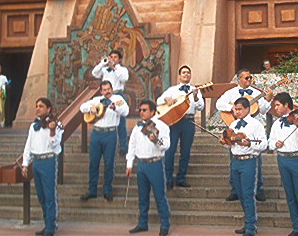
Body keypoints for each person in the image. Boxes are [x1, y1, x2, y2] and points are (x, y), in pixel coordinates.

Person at [215, 68, 272, 202]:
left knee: (256, 158)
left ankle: (258, 189)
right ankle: (235, 189)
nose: (249, 80)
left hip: (252, 128)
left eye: (250, 77)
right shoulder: (231, 93)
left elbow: (262, 109)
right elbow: (218, 104)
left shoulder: (257, 93)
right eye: (246, 78)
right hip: (236, 127)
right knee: (234, 158)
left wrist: (268, 100)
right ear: (239, 79)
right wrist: (234, 109)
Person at [269, 92, 298, 236]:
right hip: (283, 160)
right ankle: (296, 228)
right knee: (290, 195)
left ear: (286, 105)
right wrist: (275, 144)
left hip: (297, 159)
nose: (275, 108)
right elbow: (270, 143)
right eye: (275, 105)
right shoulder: (277, 124)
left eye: (277, 105)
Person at [219, 97, 267, 236]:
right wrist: (225, 142)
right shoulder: (233, 125)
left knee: (248, 193)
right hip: (235, 161)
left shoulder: (256, 124)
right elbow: (230, 144)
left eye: (240, 109)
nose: (237, 112)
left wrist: (249, 144)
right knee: (239, 193)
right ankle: (248, 222)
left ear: (247, 109)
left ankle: (251, 227)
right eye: (235, 109)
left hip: (249, 161)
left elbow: (263, 144)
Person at [126, 100, 171, 236]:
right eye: (140, 110)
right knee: (142, 196)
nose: (141, 112)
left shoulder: (162, 126)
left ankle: (165, 225)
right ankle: (142, 223)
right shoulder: (137, 127)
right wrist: (129, 163)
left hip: (155, 163)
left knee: (159, 196)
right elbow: (132, 145)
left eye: (144, 110)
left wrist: (156, 140)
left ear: (152, 111)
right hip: (141, 165)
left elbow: (166, 145)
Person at [79, 80, 128, 201]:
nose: (107, 92)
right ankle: (92, 190)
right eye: (104, 90)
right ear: (101, 91)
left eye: (109, 89)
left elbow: (125, 111)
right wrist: (91, 108)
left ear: (112, 89)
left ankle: (107, 190)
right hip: (96, 133)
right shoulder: (96, 99)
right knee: (93, 163)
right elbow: (81, 107)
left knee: (109, 163)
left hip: (110, 134)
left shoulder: (118, 99)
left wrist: (115, 108)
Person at [156, 65, 204, 189]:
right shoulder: (172, 90)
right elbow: (158, 101)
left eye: (188, 73)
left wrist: (196, 96)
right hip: (174, 122)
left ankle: (181, 178)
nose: (186, 75)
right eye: (183, 73)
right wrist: (167, 99)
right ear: (179, 76)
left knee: (185, 151)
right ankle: (168, 178)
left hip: (189, 122)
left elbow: (201, 107)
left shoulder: (195, 90)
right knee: (170, 150)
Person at [22, 97, 64, 236]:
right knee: (41, 196)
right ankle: (47, 224)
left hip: (48, 160)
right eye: (36, 106)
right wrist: (25, 164)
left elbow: (56, 146)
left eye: (41, 106)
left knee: (49, 195)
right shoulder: (33, 126)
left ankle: (51, 226)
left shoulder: (56, 125)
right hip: (36, 161)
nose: (37, 108)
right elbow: (28, 145)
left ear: (48, 109)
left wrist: (52, 132)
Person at [91, 50, 129, 155]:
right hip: (105, 95)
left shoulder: (122, 69)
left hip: (117, 95)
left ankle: (123, 147)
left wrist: (114, 67)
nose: (113, 59)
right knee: (105, 118)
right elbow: (94, 73)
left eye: (115, 57)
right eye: (111, 57)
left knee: (121, 122)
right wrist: (103, 63)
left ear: (119, 59)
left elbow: (124, 78)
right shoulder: (104, 70)